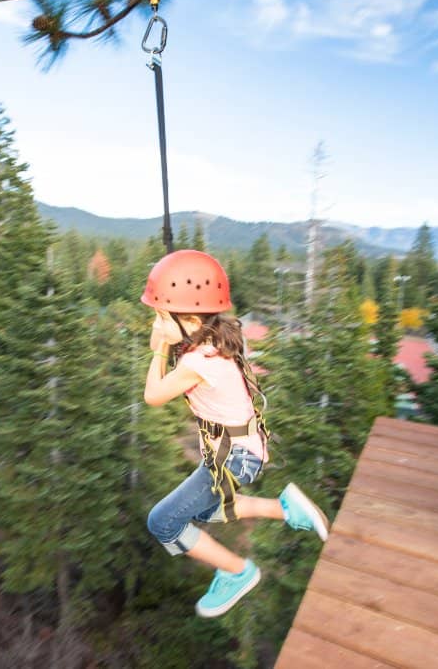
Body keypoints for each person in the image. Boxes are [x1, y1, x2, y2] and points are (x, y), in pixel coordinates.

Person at [141, 249, 330, 618]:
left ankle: (237, 572)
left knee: (163, 522)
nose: (157, 323)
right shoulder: (214, 343)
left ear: (192, 318)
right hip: (242, 452)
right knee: (209, 510)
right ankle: (287, 508)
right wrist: (172, 327)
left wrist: (161, 346)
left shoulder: (197, 362)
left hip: (232, 457)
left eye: (162, 316)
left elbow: (152, 396)